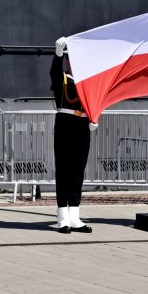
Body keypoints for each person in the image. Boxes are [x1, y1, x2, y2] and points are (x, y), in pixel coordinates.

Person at [50, 36, 95, 234]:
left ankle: (75, 215)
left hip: (83, 125)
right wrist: (58, 54)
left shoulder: (88, 83)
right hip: (65, 125)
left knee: (78, 170)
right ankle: (62, 217)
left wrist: (93, 118)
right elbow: (54, 74)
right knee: (64, 170)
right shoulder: (64, 79)